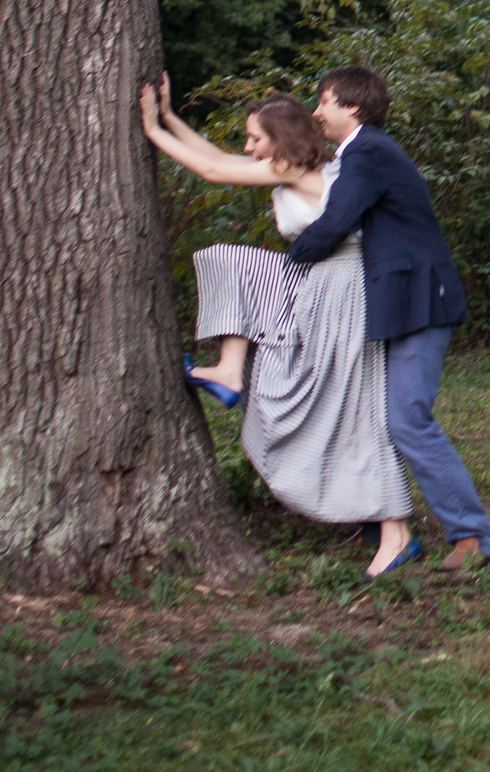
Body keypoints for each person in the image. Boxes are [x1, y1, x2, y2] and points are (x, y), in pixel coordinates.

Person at [140, 81, 421, 576]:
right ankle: (230, 370)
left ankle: (396, 533)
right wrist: (168, 117)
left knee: (356, 409)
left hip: (341, 291)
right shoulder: (298, 167)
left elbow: (211, 169)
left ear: (279, 137)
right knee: (230, 262)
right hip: (317, 283)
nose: (247, 147)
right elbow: (218, 157)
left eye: (254, 138)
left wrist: (148, 130)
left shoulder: (300, 170)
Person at [296, 64, 490, 574]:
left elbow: (336, 222)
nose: (317, 111)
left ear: (354, 108)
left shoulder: (367, 152)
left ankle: (472, 536)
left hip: (420, 299)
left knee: (407, 417)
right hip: (398, 299)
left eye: (325, 101)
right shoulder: (365, 152)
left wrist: (288, 262)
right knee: (373, 416)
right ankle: (377, 523)